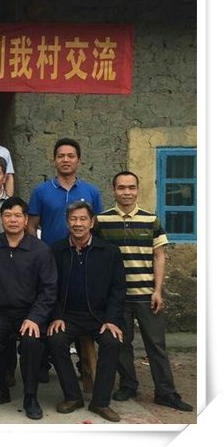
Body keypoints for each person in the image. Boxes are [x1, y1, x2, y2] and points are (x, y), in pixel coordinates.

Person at [96, 171, 193, 412]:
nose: (126, 192)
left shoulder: (151, 220)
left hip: (147, 294)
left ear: (138, 190)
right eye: (121, 188)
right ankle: (128, 384)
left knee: (156, 344)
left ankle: (166, 392)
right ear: (113, 190)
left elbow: (159, 256)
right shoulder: (102, 221)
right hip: (118, 297)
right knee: (122, 344)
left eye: (131, 187)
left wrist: (157, 290)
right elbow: (97, 256)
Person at [47, 201, 126, 422]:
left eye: (83, 219)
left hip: (99, 317)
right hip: (67, 316)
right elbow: (49, 288)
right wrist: (56, 316)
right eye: (73, 219)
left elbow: (118, 289)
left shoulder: (109, 252)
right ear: (67, 223)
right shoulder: (56, 251)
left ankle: (100, 401)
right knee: (55, 340)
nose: (78, 223)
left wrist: (112, 319)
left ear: (92, 222)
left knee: (112, 341)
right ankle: (73, 396)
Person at [0, 197, 57, 420]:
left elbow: (49, 289)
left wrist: (35, 317)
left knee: (31, 342)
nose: (12, 220)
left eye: (17, 216)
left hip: (30, 313)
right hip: (1, 312)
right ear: (1, 219)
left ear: (25, 220)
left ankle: (30, 396)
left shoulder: (40, 250)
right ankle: (0, 389)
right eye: (8, 215)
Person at [27, 138, 103, 245]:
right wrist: (37, 250)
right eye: (61, 156)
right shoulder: (40, 191)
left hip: (84, 252)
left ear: (79, 161)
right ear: (54, 161)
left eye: (71, 156)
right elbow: (31, 226)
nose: (66, 160)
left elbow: (98, 226)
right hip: (50, 252)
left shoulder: (92, 192)